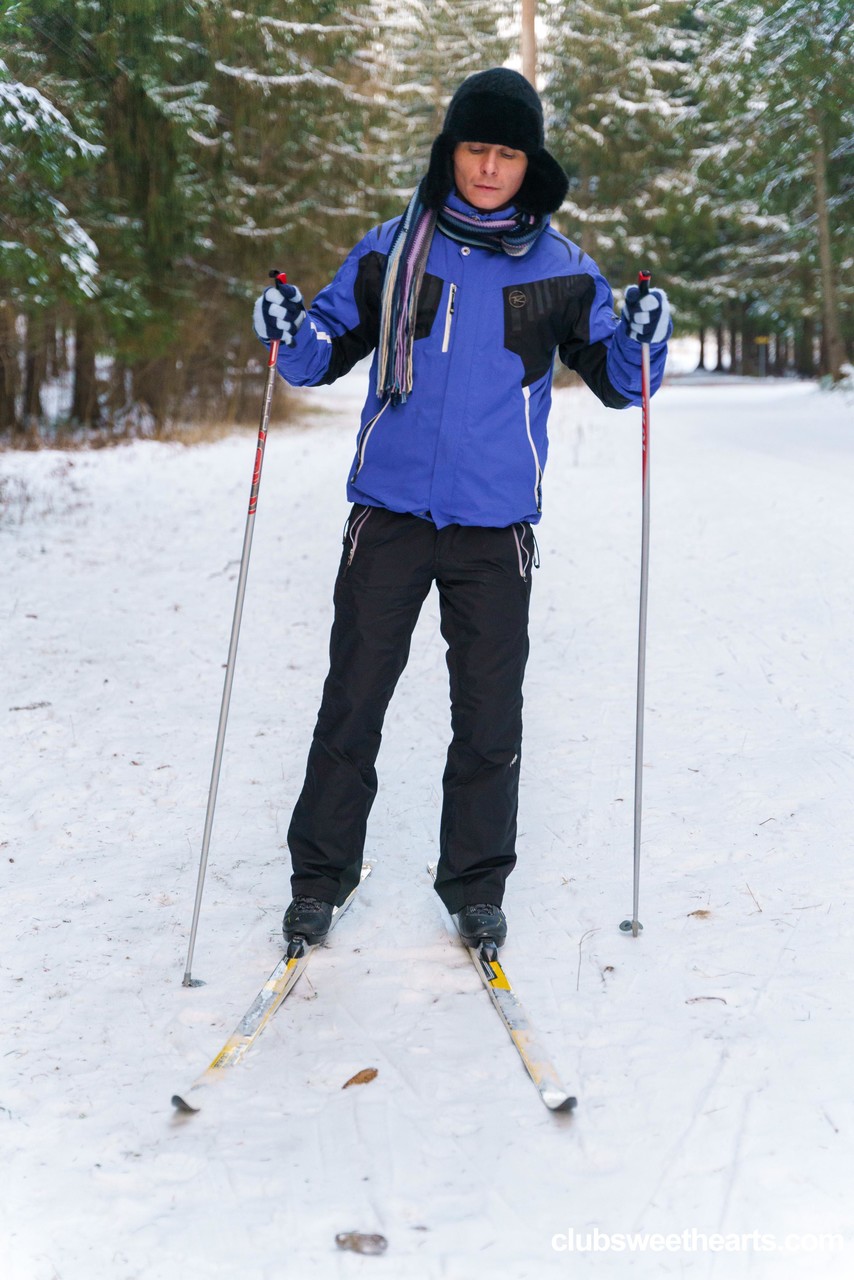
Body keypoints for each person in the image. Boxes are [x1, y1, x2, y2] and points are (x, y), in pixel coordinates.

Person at [252, 68, 671, 952]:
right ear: (451, 154)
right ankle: (318, 881)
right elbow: (322, 350)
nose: (488, 167)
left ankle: (476, 887)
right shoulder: (392, 248)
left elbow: (621, 379)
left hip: (494, 527)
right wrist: (289, 329)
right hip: (391, 514)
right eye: (475, 148)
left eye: (506, 152)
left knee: (488, 718)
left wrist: (645, 332)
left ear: (529, 165)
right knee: (352, 702)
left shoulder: (562, 271)